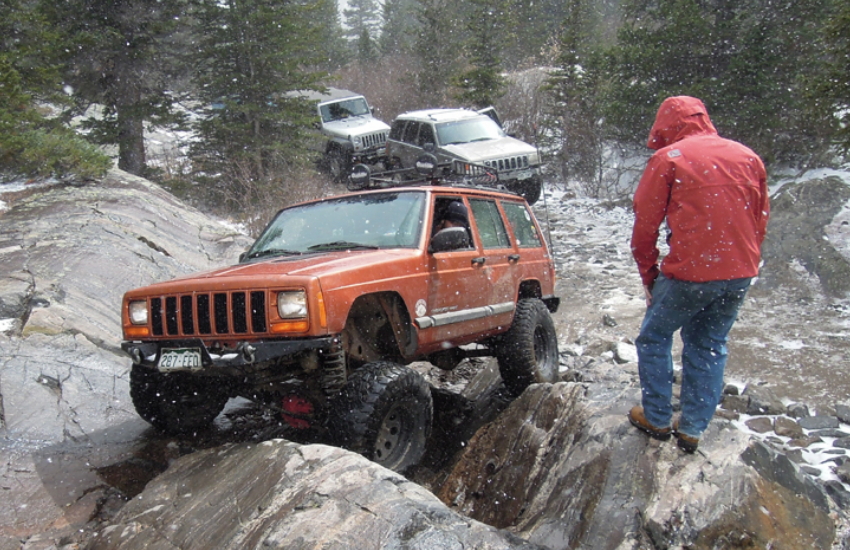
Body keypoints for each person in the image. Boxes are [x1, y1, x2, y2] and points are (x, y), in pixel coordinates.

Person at [628, 96, 769, 453]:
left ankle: (657, 418)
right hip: (739, 270)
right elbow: (760, 219)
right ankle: (692, 428)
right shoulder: (747, 156)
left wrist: (649, 274)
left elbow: (645, 224)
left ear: (665, 126)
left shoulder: (669, 158)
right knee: (708, 343)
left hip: (691, 271)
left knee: (653, 337)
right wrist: (744, 261)